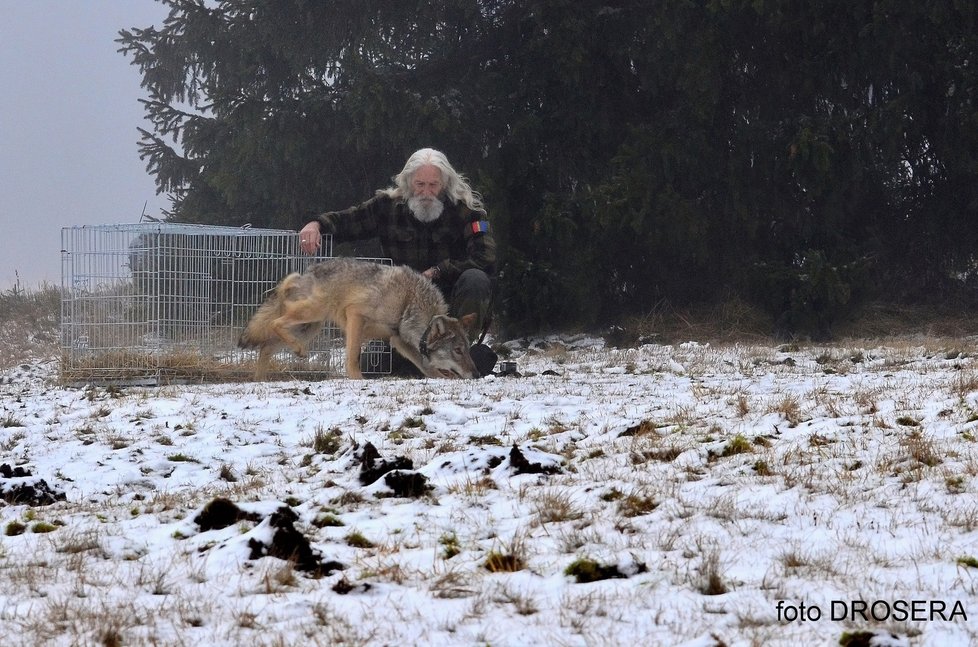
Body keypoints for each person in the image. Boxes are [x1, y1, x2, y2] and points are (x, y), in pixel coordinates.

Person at [298, 148, 497, 372]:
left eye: (433, 185)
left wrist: (439, 271)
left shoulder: (467, 211)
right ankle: (418, 362)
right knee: (372, 367)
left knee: (476, 279)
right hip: (398, 316)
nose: (426, 192)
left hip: (447, 313)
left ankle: (458, 355)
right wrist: (316, 224)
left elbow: (485, 258)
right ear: (408, 182)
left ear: (445, 184)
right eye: (420, 184)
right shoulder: (388, 207)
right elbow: (349, 220)